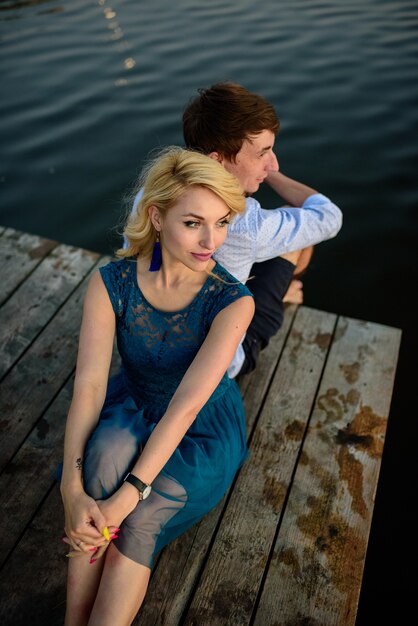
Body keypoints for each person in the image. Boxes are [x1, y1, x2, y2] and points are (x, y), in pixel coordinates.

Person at [60, 147, 254, 626]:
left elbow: (185, 409)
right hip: (135, 403)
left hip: (200, 429)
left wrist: (128, 498)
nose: (213, 239)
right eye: (194, 223)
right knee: (98, 473)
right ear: (157, 215)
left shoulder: (232, 302)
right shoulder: (112, 283)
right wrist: (70, 488)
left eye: (223, 221)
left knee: (139, 518)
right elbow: (87, 386)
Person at [182, 81, 343, 376]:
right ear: (217, 159)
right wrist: (270, 176)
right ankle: (282, 296)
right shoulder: (245, 223)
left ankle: (275, 292)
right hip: (224, 359)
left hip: (165, 338)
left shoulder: (153, 193)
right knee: (297, 224)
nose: (274, 162)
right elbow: (328, 217)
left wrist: (256, 166)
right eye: (263, 153)